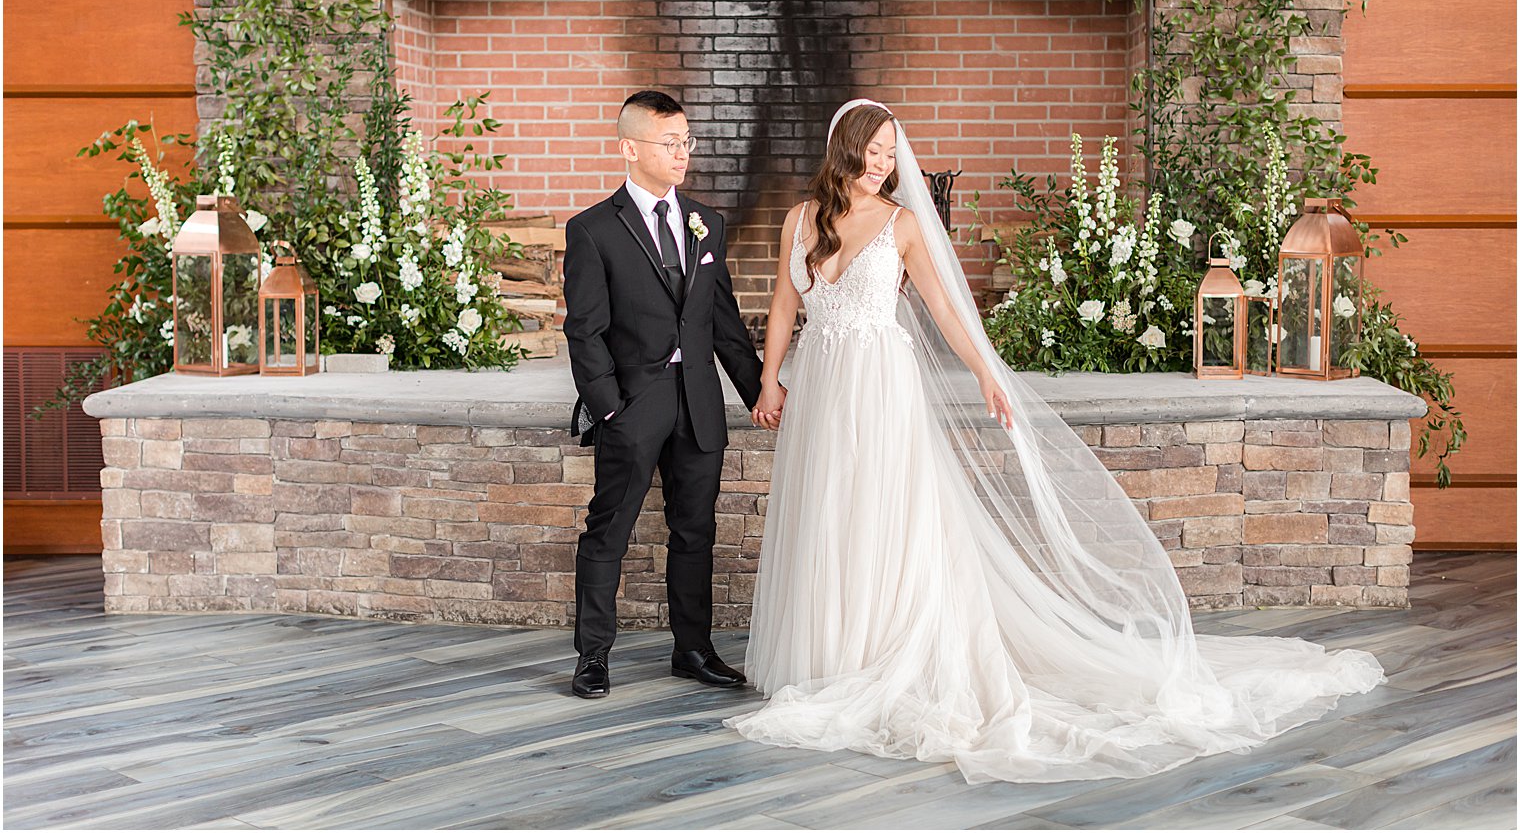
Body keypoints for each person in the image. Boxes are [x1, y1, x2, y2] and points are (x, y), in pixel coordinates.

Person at [725, 99, 1385, 783]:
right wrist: (770, 379)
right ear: (845, 148)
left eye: (893, 152)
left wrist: (986, 371)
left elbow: (948, 310)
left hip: (880, 389)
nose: (884, 163)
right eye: (875, 150)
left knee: (877, 513)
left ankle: (876, 653)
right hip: (823, 383)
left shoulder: (904, 223)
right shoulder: (799, 219)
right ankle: (828, 654)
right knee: (826, 513)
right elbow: (781, 302)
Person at [562, 90, 763, 699]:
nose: (682, 154)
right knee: (609, 530)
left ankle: (693, 651)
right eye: (669, 143)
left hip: (698, 401)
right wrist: (609, 408)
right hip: (633, 403)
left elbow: (721, 320)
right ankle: (593, 657)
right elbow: (585, 330)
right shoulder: (593, 230)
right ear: (630, 149)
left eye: (686, 142)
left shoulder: (708, 222)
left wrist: (761, 392)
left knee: (695, 530)